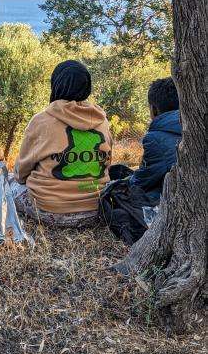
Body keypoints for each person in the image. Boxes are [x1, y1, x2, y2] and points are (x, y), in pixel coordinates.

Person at [12, 60, 113, 227]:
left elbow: (21, 172)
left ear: (56, 84)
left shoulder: (41, 121)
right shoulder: (102, 120)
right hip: (96, 210)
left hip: (49, 211)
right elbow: (107, 163)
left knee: (10, 186)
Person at [99, 77, 181, 244]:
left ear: (154, 109)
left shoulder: (155, 138)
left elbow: (141, 181)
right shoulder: (195, 127)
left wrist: (123, 183)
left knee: (113, 192)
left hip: (169, 201)